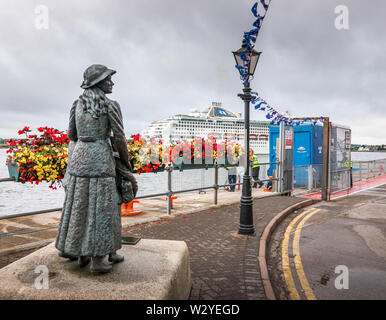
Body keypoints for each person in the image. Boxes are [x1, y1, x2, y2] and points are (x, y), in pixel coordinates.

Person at [55, 64, 138, 274]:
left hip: (79, 160)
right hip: (101, 159)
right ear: (98, 82)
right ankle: (100, 259)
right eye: (108, 78)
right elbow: (119, 138)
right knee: (104, 207)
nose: (112, 82)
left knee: (80, 206)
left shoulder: (76, 105)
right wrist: (126, 165)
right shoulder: (111, 105)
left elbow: (72, 134)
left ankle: (82, 253)